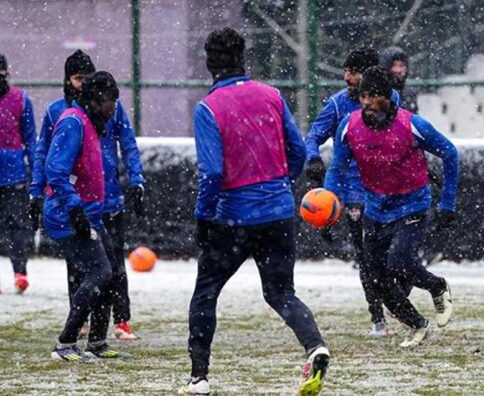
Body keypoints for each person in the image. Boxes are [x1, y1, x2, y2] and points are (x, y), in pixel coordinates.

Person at [185, 27, 329, 396]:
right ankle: (315, 346)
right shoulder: (272, 96)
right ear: (243, 58)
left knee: (206, 293)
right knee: (281, 293)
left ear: (209, 64)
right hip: (278, 213)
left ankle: (199, 378)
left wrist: (203, 216)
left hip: (233, 217)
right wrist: (278, 185)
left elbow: (213, 171)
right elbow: (297, 152)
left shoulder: (208, 108)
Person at [324, 66, 457, 348]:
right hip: (375, 209)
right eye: (363, 97)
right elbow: (336, 169)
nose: (367, 104)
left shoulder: (412, 125)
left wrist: (447, 202)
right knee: (375, 278)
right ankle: (417, 324)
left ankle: (436, 286)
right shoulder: (349, 127)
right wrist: (328, 206)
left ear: (389, 97)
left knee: (399, 262)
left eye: (374, 97)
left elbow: (450, 153)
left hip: (412, 205)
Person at [29, 49, 145, 341]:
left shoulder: (105, 110)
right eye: (77, 78)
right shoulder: (69, 118)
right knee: (92, 269)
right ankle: (73, 332)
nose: (81, 83)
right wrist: (42, 194)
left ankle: (113, 326)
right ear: (69, 80)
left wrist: (136, 180)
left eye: (86, 78)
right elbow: (51, 162)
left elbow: (129, 144)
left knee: (110, 267)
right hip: (77, 206)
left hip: (104, 201)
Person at [304, 48, 401, 338]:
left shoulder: (392, 101)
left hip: (391, 191)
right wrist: (312, 158)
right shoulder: (336, 105)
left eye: (353, 71)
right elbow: (313, 136)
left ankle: (397, 302)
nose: (347, 77)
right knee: (368, 257)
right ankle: (378, 317)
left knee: (397, 257)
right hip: (356, 195)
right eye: (345, 70)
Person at [45, 71, 128, 361]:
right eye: (110, 102)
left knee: (111, 273)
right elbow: (55, 170)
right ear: (94, 99)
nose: (113, 108)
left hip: (91, 214)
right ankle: (65, 344)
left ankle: (97, 343)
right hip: (67, 215)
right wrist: (75, 208)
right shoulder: (72, 122)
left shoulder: (91, 122)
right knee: (100, 272)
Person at [0, 54, 36, 294]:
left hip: (14, 175)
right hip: (13, 172)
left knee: (18, 226)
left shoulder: (20, 100)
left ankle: (20, 272)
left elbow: (31, 139)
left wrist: (35, 172)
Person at [379, 46, 418, 113]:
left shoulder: (409, 93)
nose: (399, 70)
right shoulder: (377, 92)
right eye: (394, 65)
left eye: (402, 65)